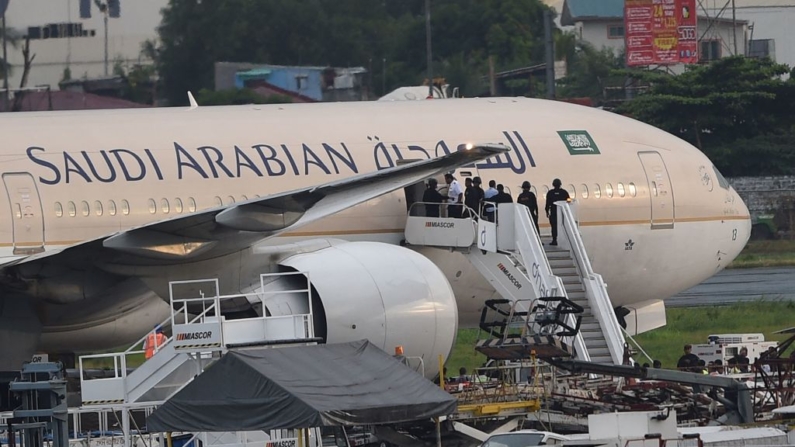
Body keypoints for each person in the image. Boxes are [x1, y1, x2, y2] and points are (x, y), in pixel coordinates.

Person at [545, 179, 570, 246]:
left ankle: (554, 239)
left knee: (554, 226)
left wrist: (547, 211)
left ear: (553, 185)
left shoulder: (550, 193)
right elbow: (569, 201)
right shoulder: (564, 192)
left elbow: (547, 203)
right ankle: (563, 239)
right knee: (562, 226)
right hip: (562, 213)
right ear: (560, 184)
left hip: (553, 213)